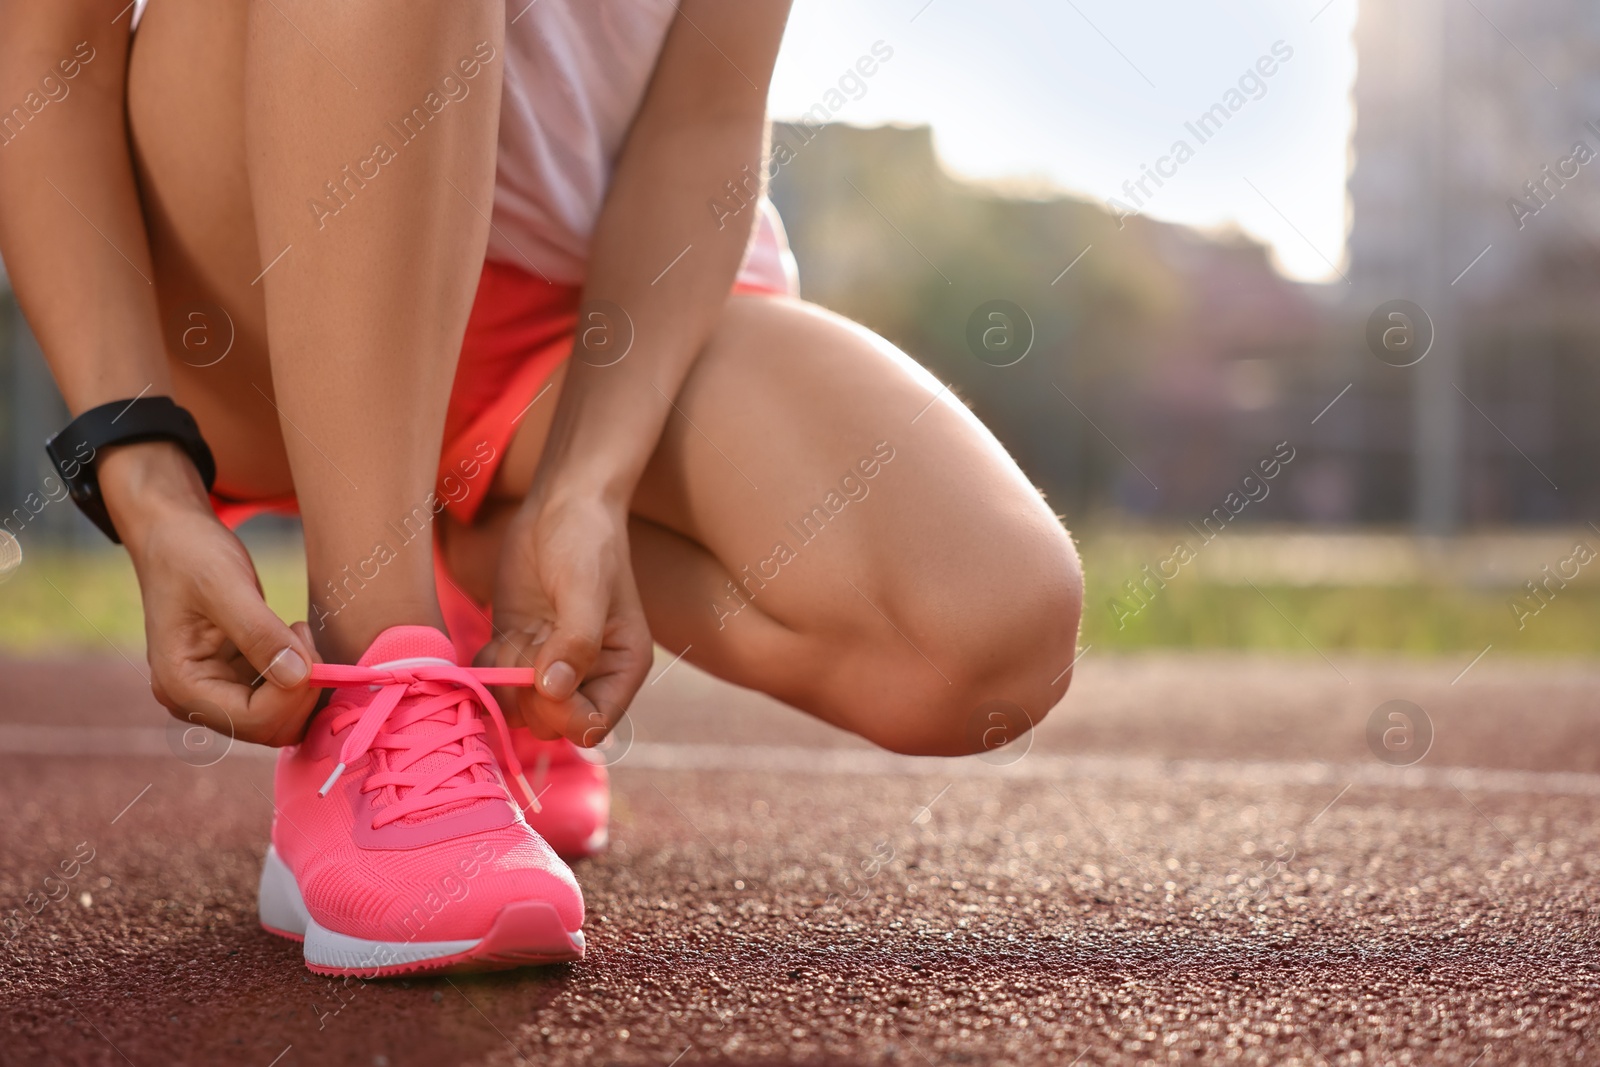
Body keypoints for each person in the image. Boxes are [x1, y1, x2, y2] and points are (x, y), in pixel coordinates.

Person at [0, 0, 1083, 976]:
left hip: (571, 314)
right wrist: (140, 475)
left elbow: (702, 117)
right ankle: (381, 670)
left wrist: (588, 482)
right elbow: (45, 50)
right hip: (252, 268)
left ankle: (482, 557)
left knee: (982, 632)